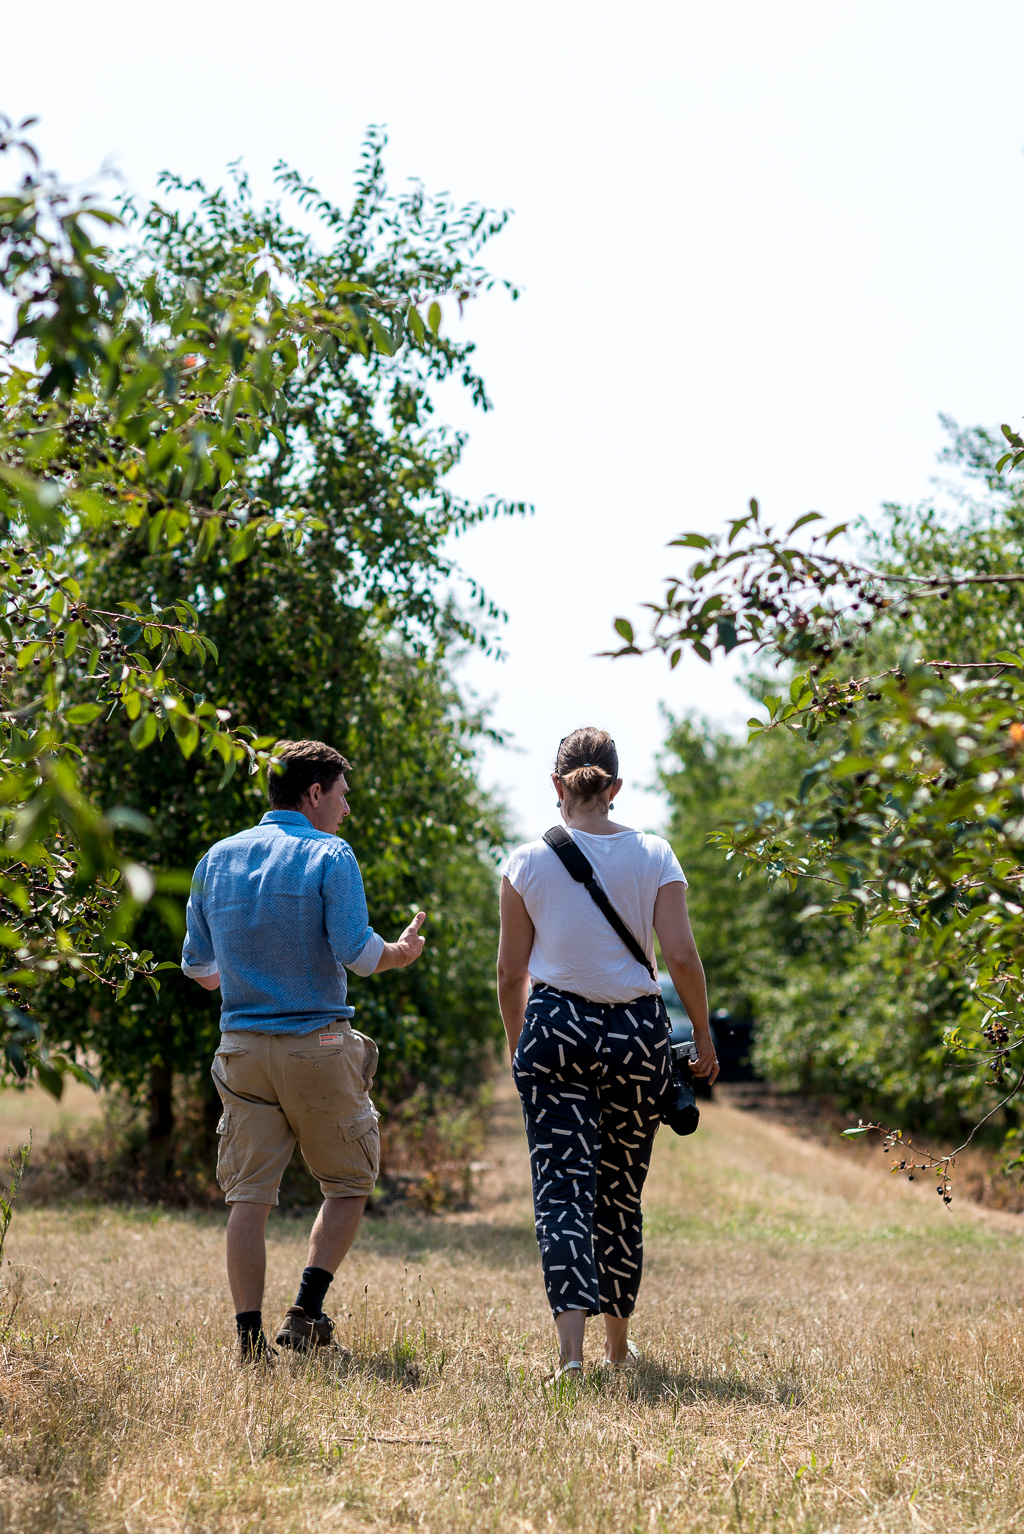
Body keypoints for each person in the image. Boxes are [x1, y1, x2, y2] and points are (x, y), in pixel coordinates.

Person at [181, 739, 426, 1364]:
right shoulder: (330, 855)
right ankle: (306, 1311)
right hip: (316, 1045)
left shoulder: (216, 859)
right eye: (341, 796)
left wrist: (250, 967)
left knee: (248, 1198)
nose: (345, 811)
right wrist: (401, 952)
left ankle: (248, 1343)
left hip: (240, 1050)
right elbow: (359, 955)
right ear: (314, 792)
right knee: (349, 1182)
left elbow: (201, 971)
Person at [496, 727, 717, 1381]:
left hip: (556, 1027)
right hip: (635, 1036)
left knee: (562, 1192)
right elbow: (679, 956)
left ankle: (571, 1356)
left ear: (557, 786)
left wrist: (520, 1050)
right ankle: (619, 1350)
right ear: (616, 788)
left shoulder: (525, 861)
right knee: (619, 1192)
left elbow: (511, 975)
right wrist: (701, 1036)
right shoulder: (654, 854)